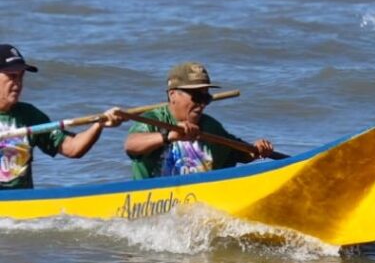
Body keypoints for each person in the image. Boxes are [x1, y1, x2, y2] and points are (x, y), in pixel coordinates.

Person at [0, 44, 122, 189]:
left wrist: (99, 124)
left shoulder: (30, 116)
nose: (18, 83)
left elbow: (73, 148)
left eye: (21, 77)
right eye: (12, 76)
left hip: (22, 202)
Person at [124, 62, 274, 179]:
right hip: (153, 202)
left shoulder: (211, 127)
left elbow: (239, 153)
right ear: (173, 95)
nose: (202, 103)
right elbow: (131, 145)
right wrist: (167, 136)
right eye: (196, 96)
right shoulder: (153, 120)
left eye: (206, 97)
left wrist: (257, 150)